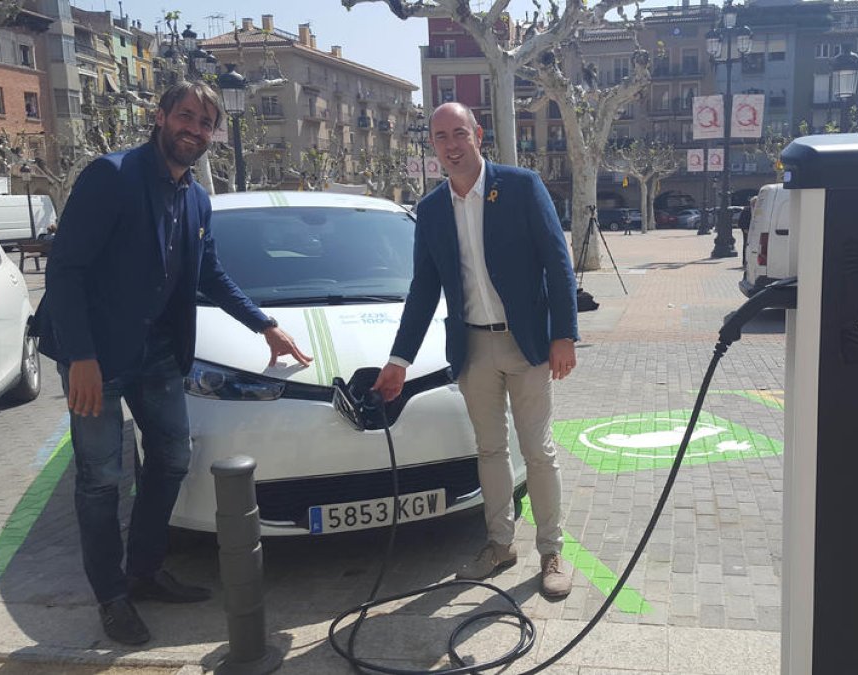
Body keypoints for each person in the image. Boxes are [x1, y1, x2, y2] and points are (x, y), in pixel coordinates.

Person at [31, 81, 312, 646]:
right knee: (100, 477)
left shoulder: (196, 199)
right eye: (187, 116)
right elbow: (65, 271)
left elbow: (209, 274)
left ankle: (145, 569)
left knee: (170, 459)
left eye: (206, 124)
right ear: (159, 117)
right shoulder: (111, 176)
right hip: (97, 355)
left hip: (157, 354)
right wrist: (81, 358)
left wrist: (265, 325)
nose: (196, 130)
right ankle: (111, 597)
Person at [372, 102, 579, 599]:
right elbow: (424, 289)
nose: (451, 144)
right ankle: (499, 544)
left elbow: (557, 261)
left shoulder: (521, 186)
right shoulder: (432, 209)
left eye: (459, 133)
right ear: (434, 145)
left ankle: (551, 550)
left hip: (527, 343)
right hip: (472, 347)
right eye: (441, 136)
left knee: (538, 450)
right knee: (489, 450)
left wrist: (564, 334)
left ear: (478, 135)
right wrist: (398, 360)